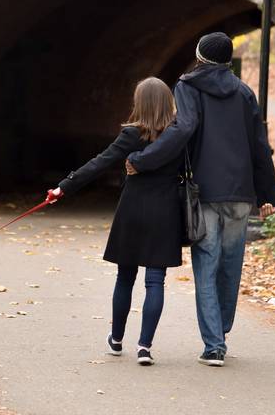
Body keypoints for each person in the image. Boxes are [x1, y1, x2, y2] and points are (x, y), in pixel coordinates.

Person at [125, 32, 275, 367]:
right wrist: (268, 194)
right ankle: (220, 330)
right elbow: (259, 146)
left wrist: (143, 159)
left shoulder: (189, 86)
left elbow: (183, 130)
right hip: (240, 195)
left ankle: (214, 345)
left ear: (199, 55)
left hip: (205, 193)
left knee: (206, 267)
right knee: (230, 265)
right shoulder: (244, 92)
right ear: (227, 60)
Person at [46, 77, 184, 366]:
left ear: (140, 103)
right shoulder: (179, 134)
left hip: (133, 210)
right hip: (166, 211)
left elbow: (100, 162)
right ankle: (145, 347)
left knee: (125, 276)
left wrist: (64, 187)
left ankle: (117, 340)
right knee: (155, 280)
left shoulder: (132, 134)